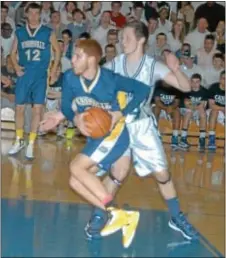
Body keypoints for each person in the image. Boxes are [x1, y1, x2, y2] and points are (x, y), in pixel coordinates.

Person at [84, 21, 199, 242]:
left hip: (142, 125)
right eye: (121, 38)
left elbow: (185, 87)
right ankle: (99, 214)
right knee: (118, 172)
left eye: (126, 37)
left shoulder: (152, 65)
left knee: (162, 175)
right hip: (119, 125)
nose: (122, 41)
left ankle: (176, 217)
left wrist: (176, 68)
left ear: (141, 40)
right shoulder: (114, 64)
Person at [39, 39, 151, 248]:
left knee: (76, 167)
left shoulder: (111, 79)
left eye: (77, 56)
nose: (72, 60)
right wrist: (68, 119)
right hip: (96, 138)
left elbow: (143, 90)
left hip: (114, 134)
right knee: (75, 182)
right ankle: (116, 215)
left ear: (91, 60)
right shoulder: (70, 78)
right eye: (72, 55)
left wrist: (120, 113)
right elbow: (66, 107)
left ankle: (115, 213)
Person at [8, 2, 61, 159]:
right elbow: (12, 53)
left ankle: (31, 142)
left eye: (36, 13)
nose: (33, 16)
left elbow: (57, 51)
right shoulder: (20, 32)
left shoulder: (47, 32)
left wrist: (53, 70)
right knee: (19, 108)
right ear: (26, 14)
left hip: (40, 75)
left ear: (40, 15)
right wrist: (16, 66)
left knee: (37, 109)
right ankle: (19, 140)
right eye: (30, 13)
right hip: (24, 74)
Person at [179, 73, 209, 151]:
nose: (195, 84)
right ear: (190, 82)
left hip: (198, 110)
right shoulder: (187, 90)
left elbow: (202, 106)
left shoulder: (204, 91)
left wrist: (193, 106)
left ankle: (202, 139)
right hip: (187, 110)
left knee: (202, 111)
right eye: (193, 81)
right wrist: (194, 107)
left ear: (200, 82)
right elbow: (186, 104)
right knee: (189, 111)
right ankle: (183, 138)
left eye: (197, 82)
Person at [207, 70, 225, 150]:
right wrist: (223, 108)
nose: (225, 80)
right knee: (214, 111)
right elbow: (211, 105)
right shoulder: (213, 87)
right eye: (223, 78)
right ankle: (211, 139)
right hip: (214, 110)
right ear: (220, 79)